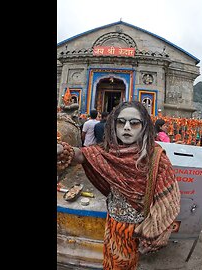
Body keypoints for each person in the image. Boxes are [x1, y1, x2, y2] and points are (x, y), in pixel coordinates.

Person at [57, 101, 180, 269]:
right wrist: (63, 150)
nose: (126, 127)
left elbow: (168, 199)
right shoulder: (109, 152)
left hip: (135, 229)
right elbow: (83, 155)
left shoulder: (156, 158)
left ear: (144, 126)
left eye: (134, 123)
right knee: (110, 261)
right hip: (113, 223)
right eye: (121, 122)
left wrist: (155, 231)